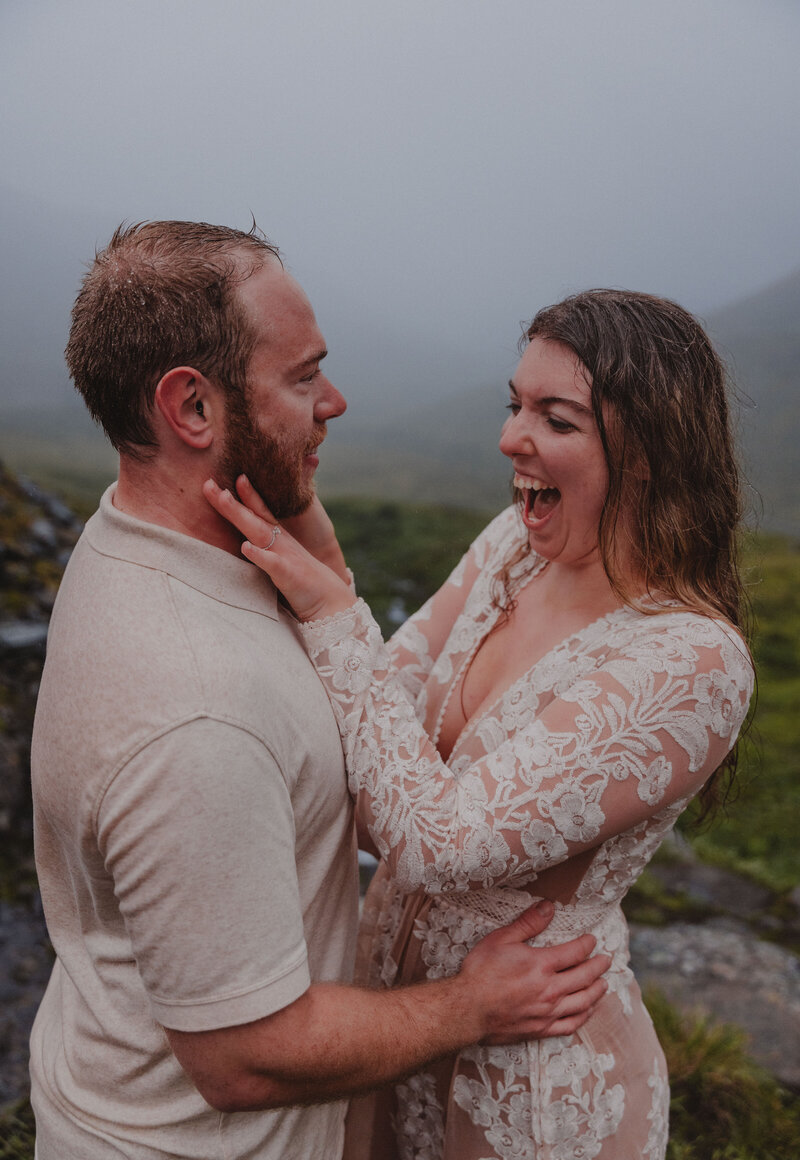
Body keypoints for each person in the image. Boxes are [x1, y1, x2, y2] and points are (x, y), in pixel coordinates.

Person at [28, 221, 610, 1160]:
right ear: (193, 410)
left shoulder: (144, 536)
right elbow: (243, 1055)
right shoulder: (197, 707)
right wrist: (475, 1004)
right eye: (303, 379)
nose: (334, 401)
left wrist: (294, 491)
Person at [204, 287, 755, 1160]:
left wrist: (335, 613)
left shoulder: (692, 662)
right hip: (398, 1031)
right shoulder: (511, 543)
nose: (510, 439)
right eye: (514, 404)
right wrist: (320, 552)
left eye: (556, 419)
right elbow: (384, 700)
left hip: (534, 1080)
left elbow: (438, 845)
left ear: (647, 454)